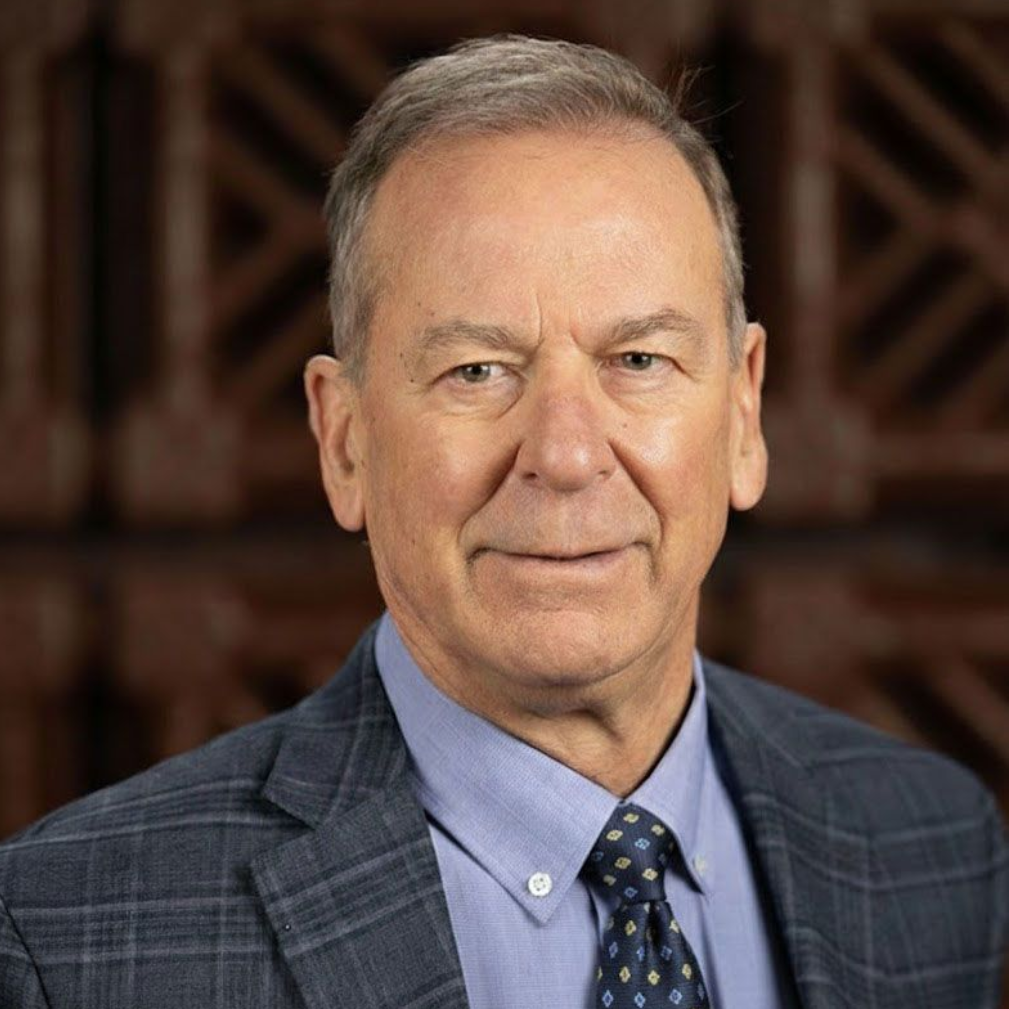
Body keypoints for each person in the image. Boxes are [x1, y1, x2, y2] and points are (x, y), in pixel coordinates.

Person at [0, 35, 1004, 1009]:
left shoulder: (928, 843)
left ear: (742, 414)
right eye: (476, 371)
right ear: (343, 440)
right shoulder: (73, 934)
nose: (564, 456)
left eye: (638, 361)